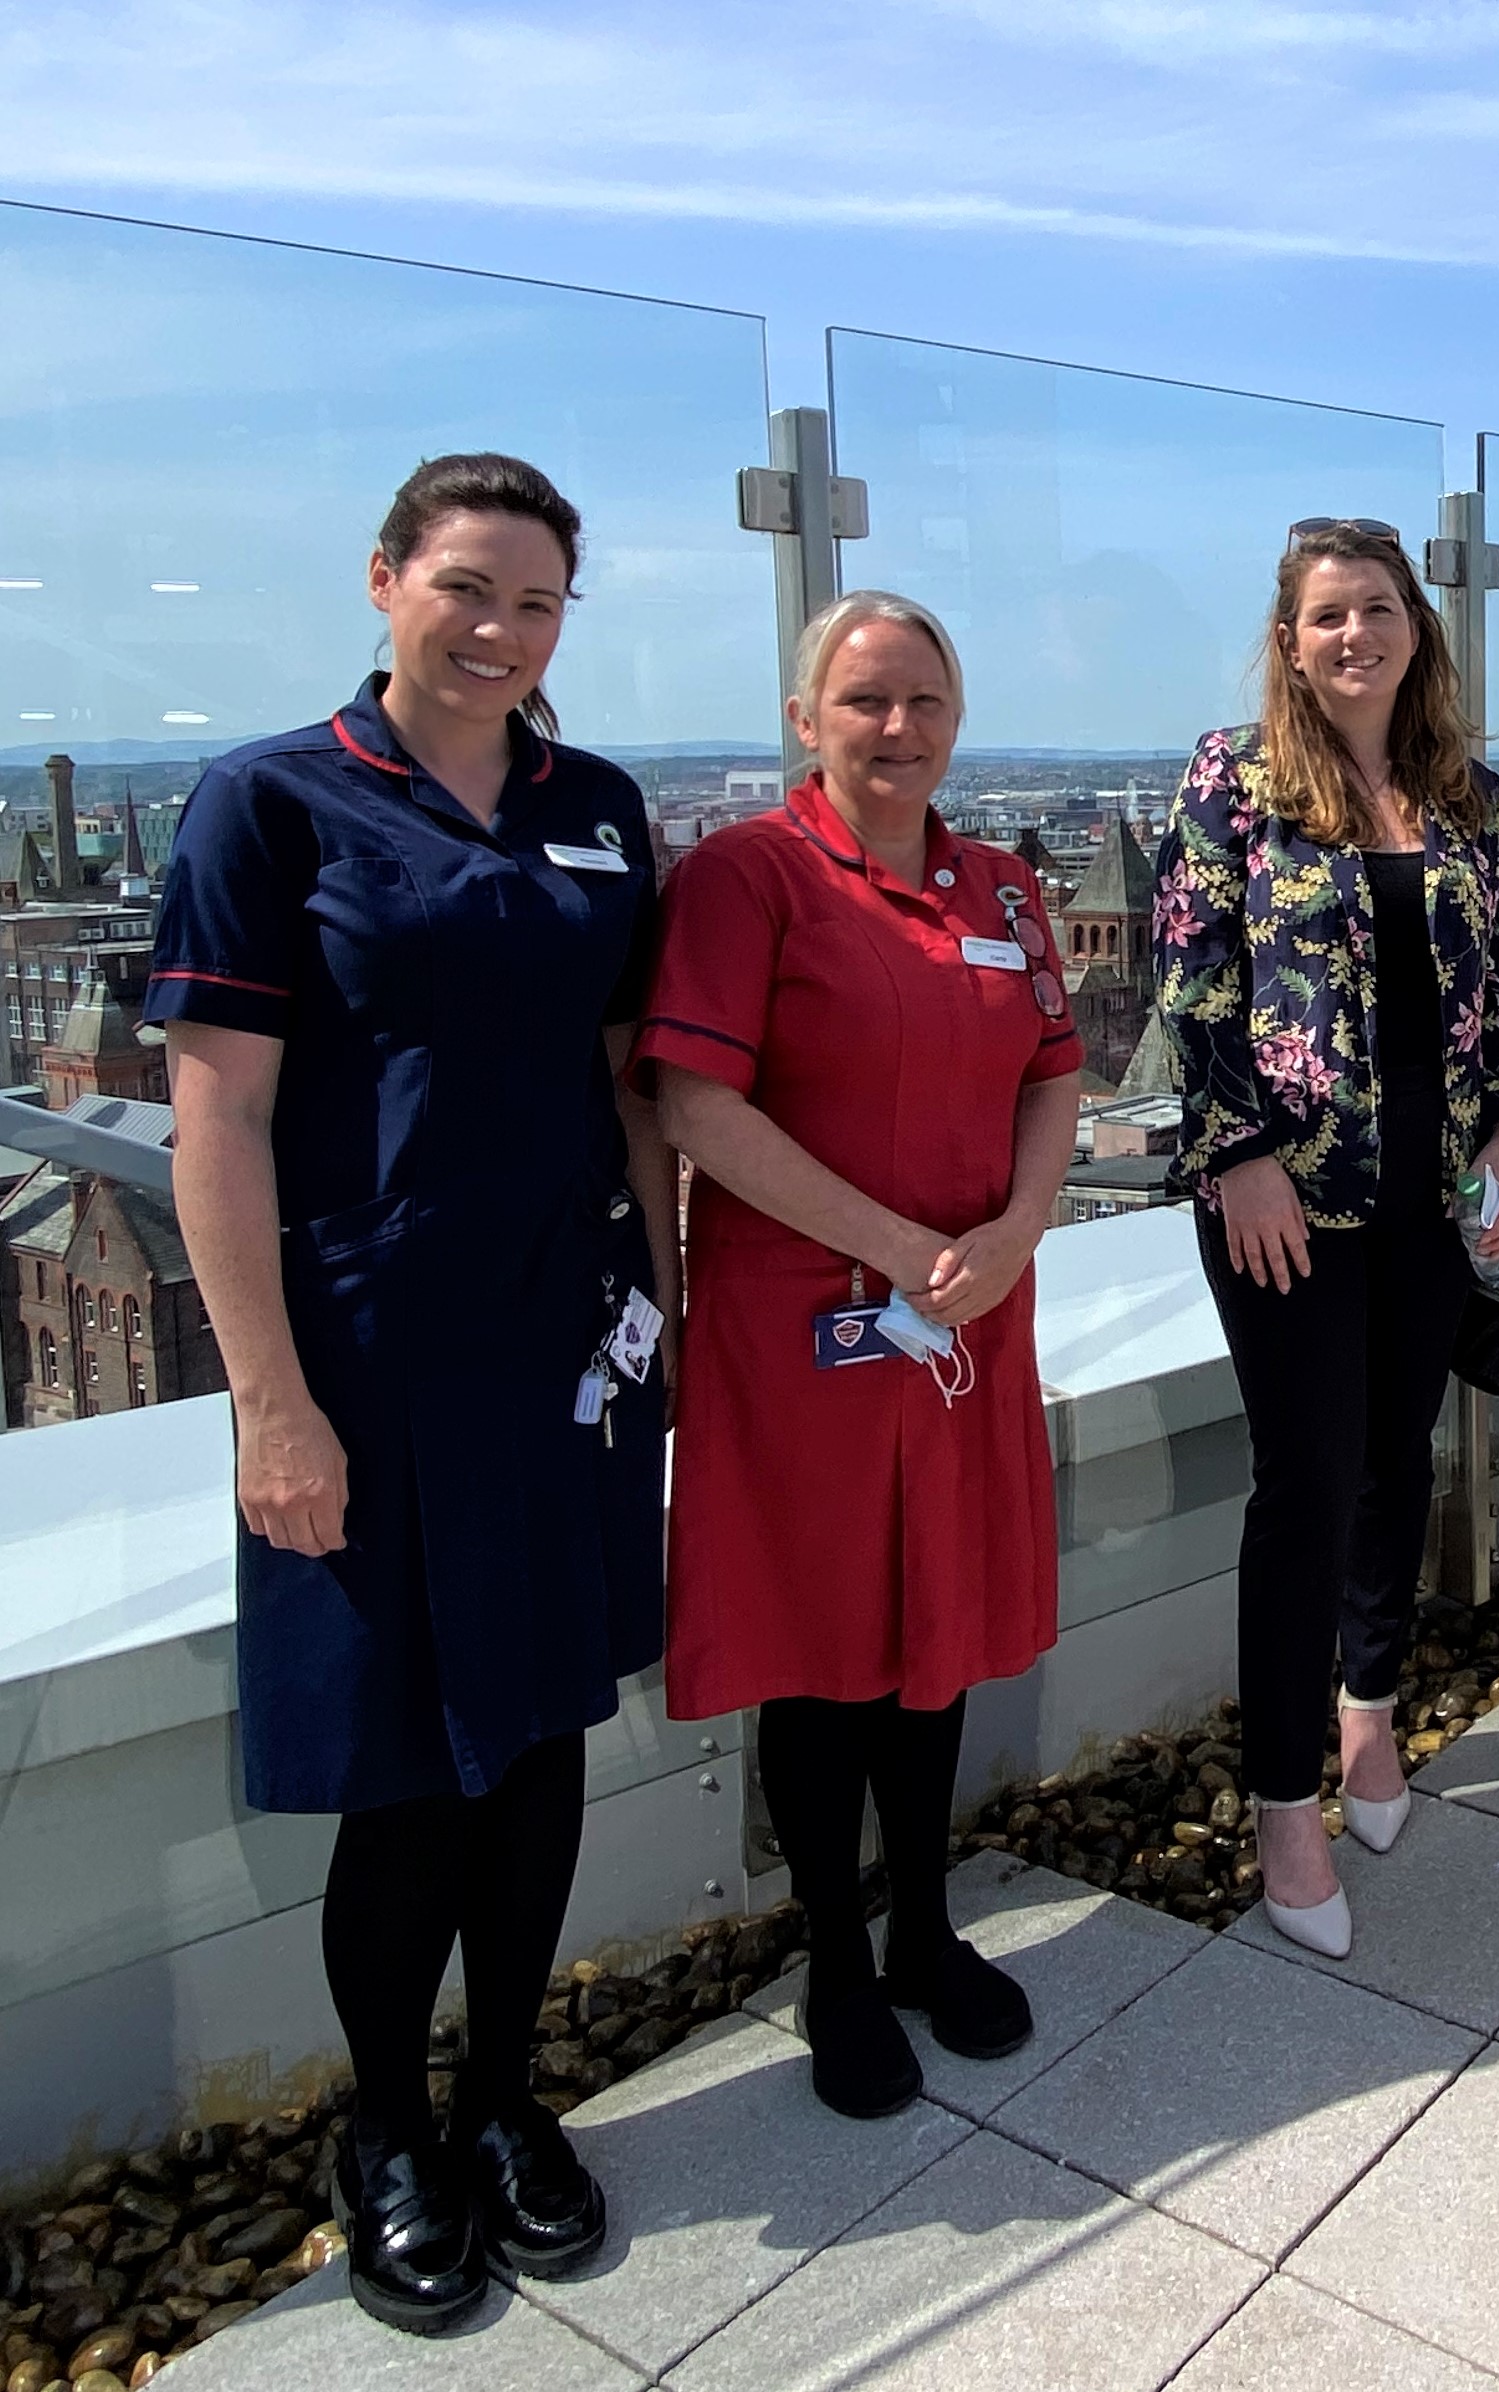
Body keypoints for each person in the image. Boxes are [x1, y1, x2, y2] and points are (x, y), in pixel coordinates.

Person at [155, 454, 669, 2332]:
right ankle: (382, 2128)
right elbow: (217, 1116)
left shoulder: (597, 805)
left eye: (536, 603)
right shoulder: (269, 804)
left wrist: (662, 1321)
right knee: (405, 1780)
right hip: (371, 1363)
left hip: (567, 1351)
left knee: (539, 1747)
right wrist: (265, 1405)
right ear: (384, 582)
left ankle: (508, 2093)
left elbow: (633, 1090)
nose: (499, 631)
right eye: (464, 588)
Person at [636, 592, 1083, 2114]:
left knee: (932, 1637)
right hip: (807, 1331)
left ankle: (924, 1929)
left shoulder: (1004, 887)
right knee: (822, 1655)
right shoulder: (745, 880)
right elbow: (699, 1111)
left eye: (925, 704)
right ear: (804, 718)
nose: (898, 731)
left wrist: (1023, 1226)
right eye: (866, 701)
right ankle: (835, 1953)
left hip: (965, 1318)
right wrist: (901, 1248)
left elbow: (1052, 1074)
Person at [1151, 517, 1499, 1959]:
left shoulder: (1464, 794)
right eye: (1328, 616)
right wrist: (1234, 1152)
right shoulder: (1234, 782)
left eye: (1379, 609)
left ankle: (1369, 1711)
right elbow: (1192, 982)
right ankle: (1281, 1798)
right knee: (1301, 1485)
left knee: (1396, 1462)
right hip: (1287, 1206)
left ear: (1415, 630)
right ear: (1291, 640)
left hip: (1426, 1197)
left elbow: (1498, 990)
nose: (1355, 635)